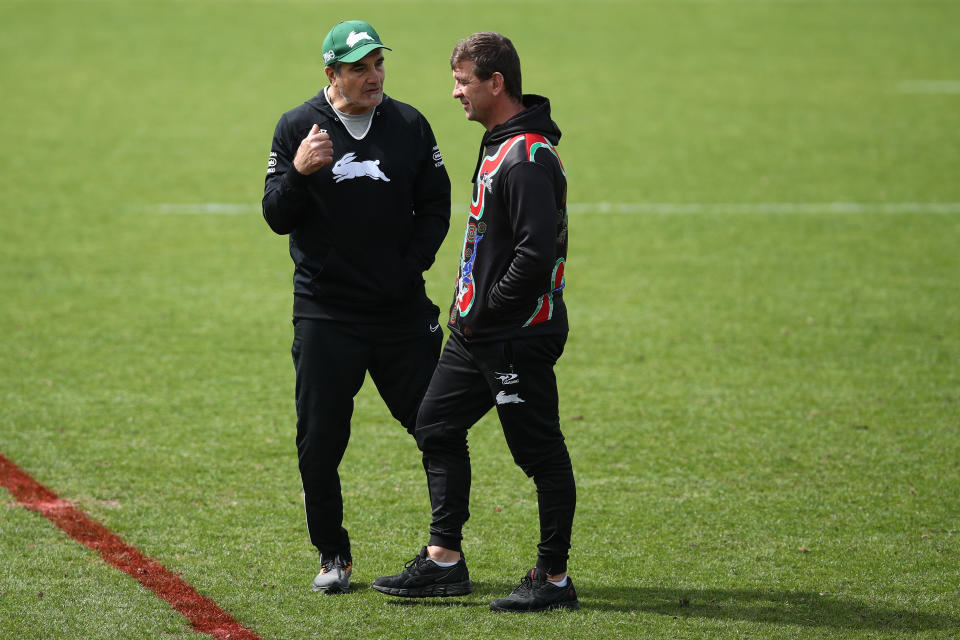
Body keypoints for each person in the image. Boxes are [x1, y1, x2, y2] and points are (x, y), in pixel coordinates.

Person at [372, 32, 578, 612]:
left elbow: (537, 255)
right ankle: (444, 561)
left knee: (539, 455)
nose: (454, 91)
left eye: (464, 81)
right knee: (434, 424)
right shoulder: (499, 142)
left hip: (515, 335)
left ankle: (554, 578)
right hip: (476, 334)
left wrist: (489, 309)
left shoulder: (526, 155)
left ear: (496, 84)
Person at [261, 19, 450, 594]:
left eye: (378, 64)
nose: (373, 77)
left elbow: (437, 208)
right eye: (358, 68)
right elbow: (275, 216)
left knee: (438, 429)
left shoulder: (411, 124)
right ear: (331, 74)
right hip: (326, 315)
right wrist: (298, 172)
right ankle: (332, 556)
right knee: (319, 442)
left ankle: (446, 556)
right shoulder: (297, 127)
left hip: (399, 313)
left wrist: (405, 269)